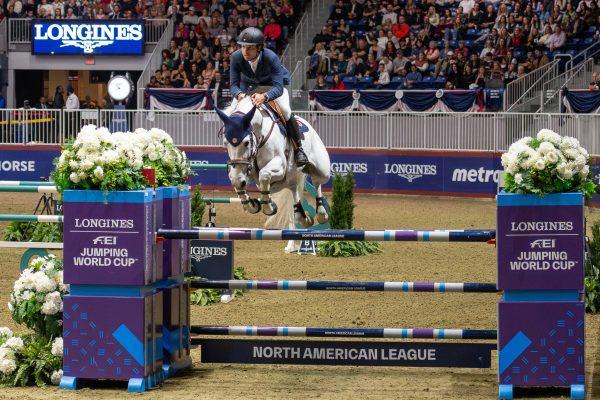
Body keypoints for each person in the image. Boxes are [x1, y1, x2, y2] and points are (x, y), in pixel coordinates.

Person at [230, 27, 308, 167]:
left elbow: (278, 88)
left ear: (259, 47)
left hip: (272, 87)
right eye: (242, 47)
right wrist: (239, 94)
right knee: (231, 113)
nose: (245, 51)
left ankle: (298, 149)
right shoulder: (236, 57)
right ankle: (233, 148)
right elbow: (233, 85)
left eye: (249, 48)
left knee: (285, 110)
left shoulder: (271, 57)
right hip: (248, 89)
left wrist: (264, 97)